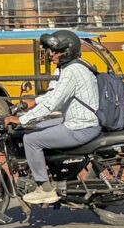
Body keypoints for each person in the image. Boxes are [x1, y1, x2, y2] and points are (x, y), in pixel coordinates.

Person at [8, 30, 102, 207]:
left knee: (31, 139)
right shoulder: (76, 66)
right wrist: (34, 102)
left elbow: (53, 103)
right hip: (78, 121)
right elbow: (55, 95)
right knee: (38, 126)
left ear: (66, 51)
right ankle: (54, 170)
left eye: (55, 51)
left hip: (81, 126)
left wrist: (22, 120)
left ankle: (45, 189)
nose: (51, 55)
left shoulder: (73, 71)